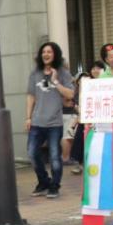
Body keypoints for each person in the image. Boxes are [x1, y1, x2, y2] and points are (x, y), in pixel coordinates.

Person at [25, 42, 75, 199]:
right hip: (37, 121)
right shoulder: (35, 74)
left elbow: (70, 95)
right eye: (43, 52)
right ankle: (43, 182)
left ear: (55, 55)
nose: (46, 54)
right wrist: (28, 117)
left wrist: (56, 81)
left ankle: (54, 186)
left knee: (54, 157)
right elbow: (31, 96)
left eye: (49, 52)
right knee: (32, 153)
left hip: (55, 123)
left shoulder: (63, 73)